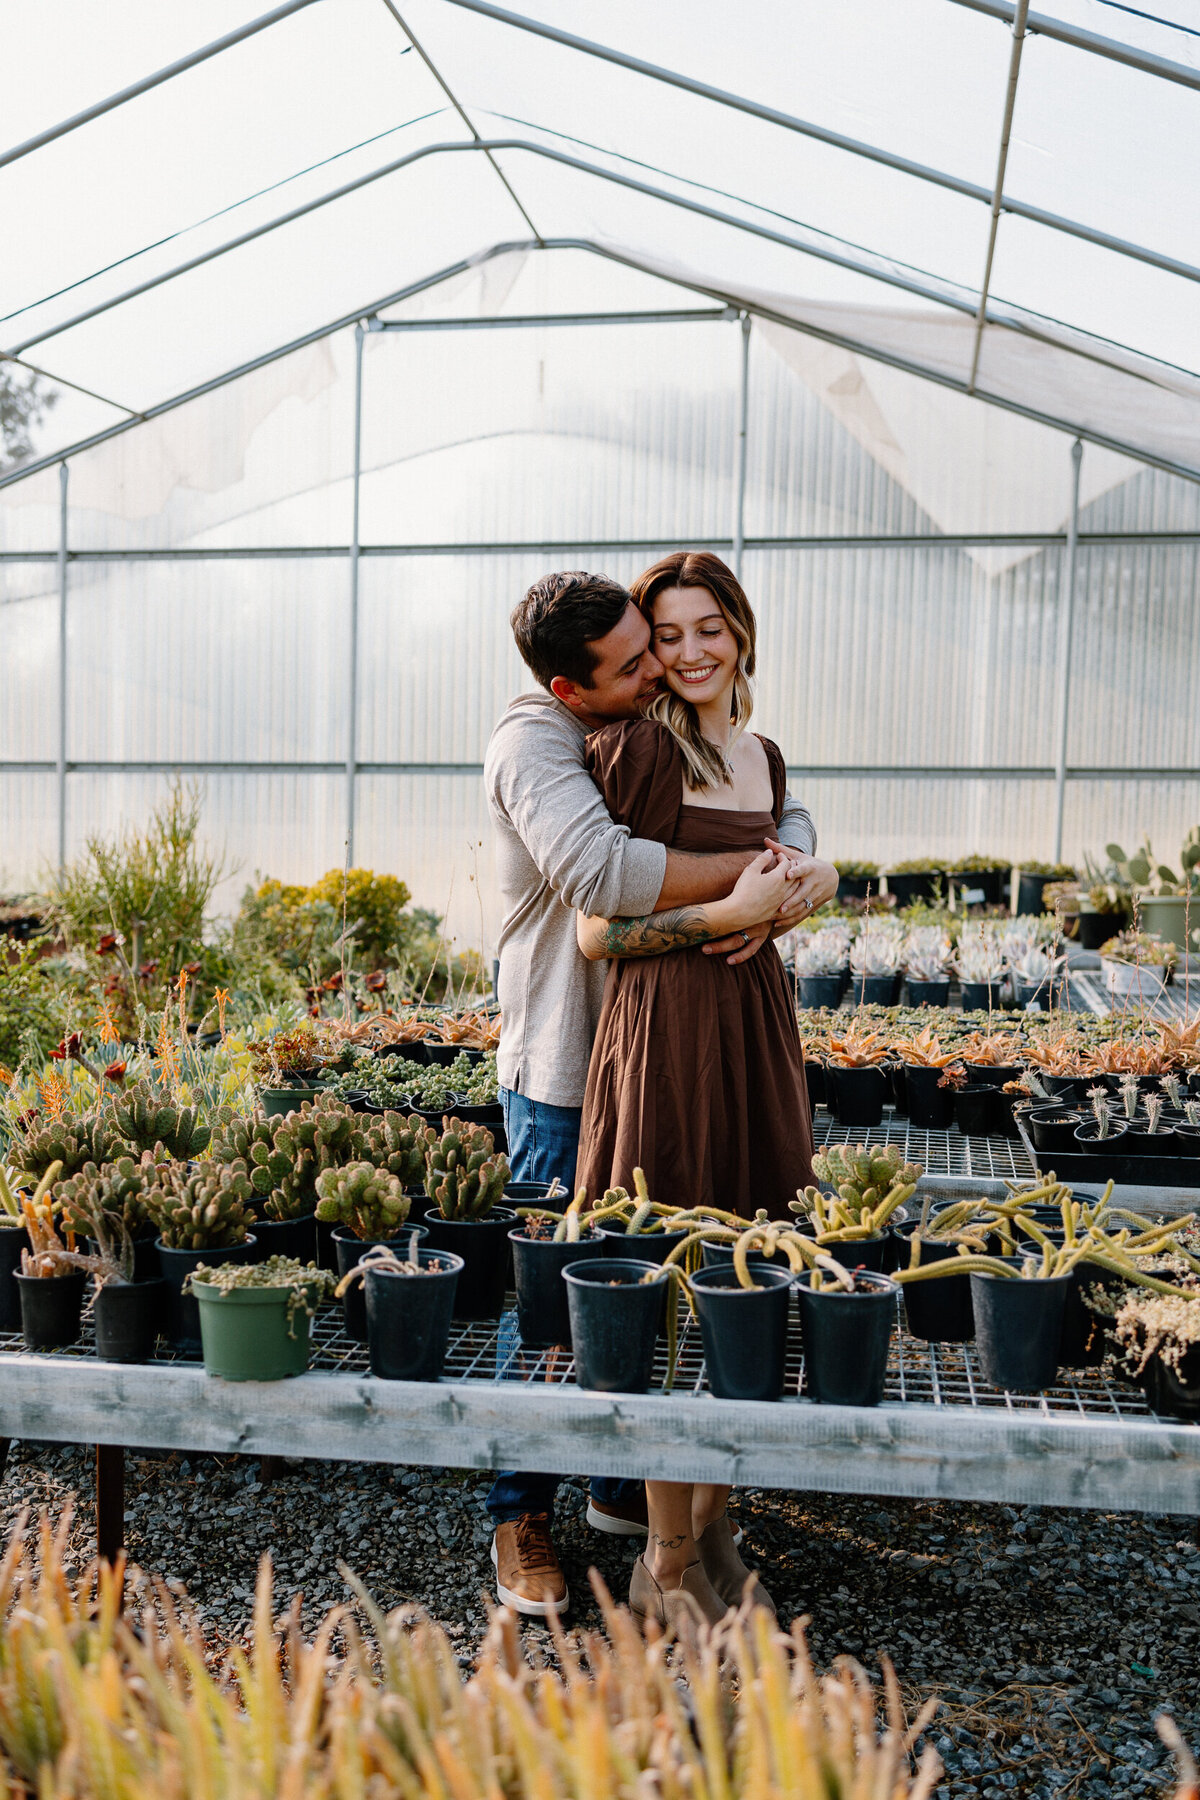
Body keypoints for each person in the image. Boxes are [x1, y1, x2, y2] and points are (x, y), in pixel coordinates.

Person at [484, 569, 834, 1618]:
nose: (664, 667)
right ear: (571, 683)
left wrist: (805, 867)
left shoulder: (693, 732)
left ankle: (645, 1506)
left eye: (689, 636)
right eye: (643, 654)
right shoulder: (546, 744)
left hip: (708, 1044)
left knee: (701, 1275)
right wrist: (744, 893)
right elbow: (602, 881)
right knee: (562, 1301)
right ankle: (519, 1512)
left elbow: (779, 806)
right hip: (569, 1055)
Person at [574, 550, 824, 1632]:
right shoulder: (635, 752)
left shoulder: (766, 756)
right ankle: (666, 1565)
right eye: (666, 636)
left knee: (747, 1277)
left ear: (742, 630)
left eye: (707, 627)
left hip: (755, 1025)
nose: (688, 653)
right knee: (676, 1281)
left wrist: (805, 886)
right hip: (668, 1034)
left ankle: (717, 1526)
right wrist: (728, 914)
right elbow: (596, 930)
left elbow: (790, 868)